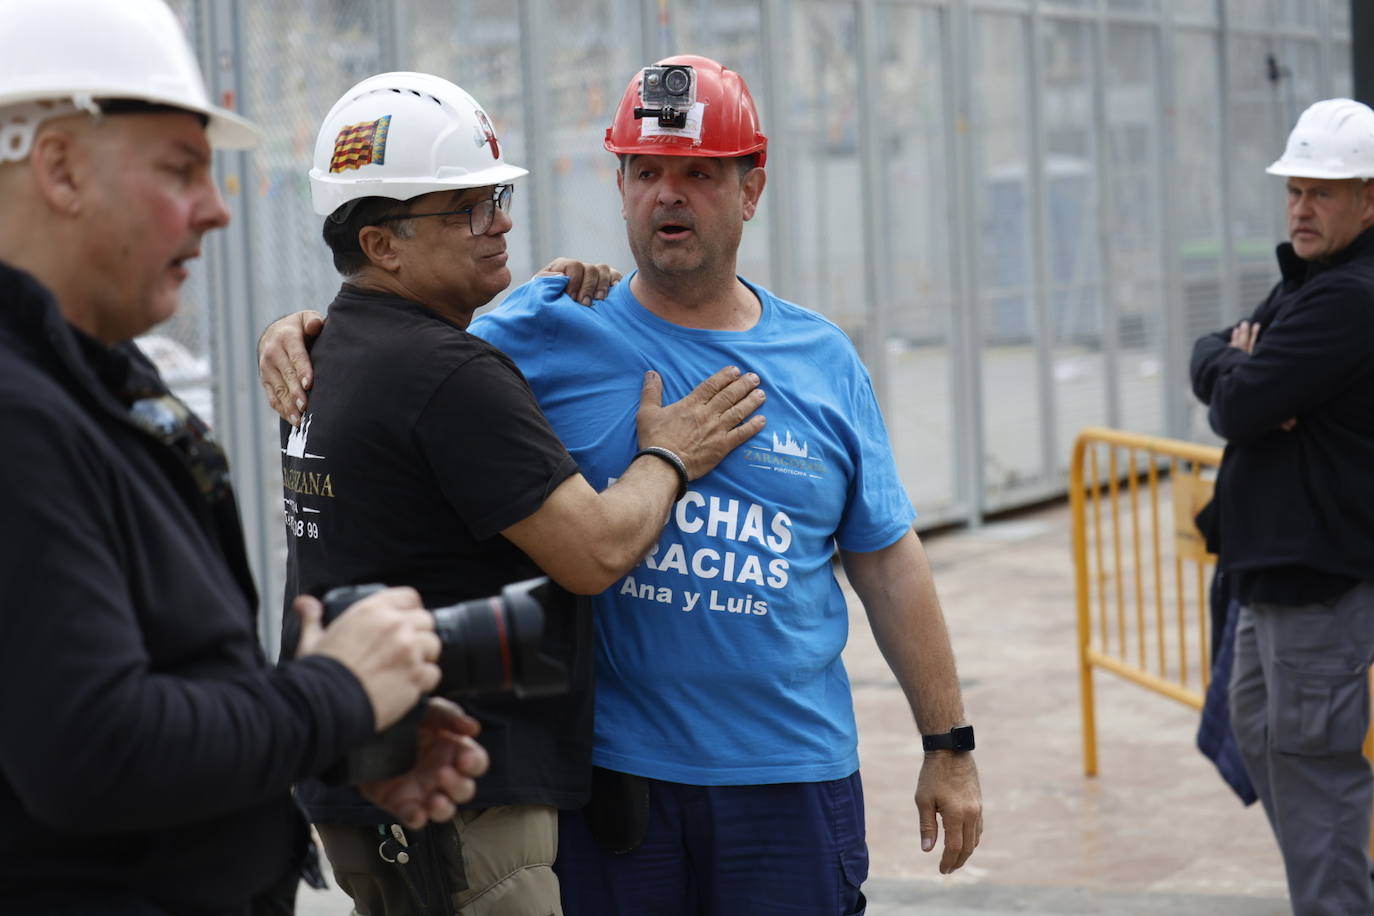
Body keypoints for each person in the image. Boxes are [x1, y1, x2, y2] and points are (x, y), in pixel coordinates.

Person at [261, 54, 982, 914]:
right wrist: (297, 332)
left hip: (790, 780)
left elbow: (887, 562)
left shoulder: (823, 362)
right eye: (646, 171)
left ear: (751, 189)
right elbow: (399, 343)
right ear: (620, 185)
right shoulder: (537, 332)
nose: (667, 194)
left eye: (698, 174)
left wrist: (949, 743)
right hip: (613, 791)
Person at [0, 2, 487, 915]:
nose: (217, 209)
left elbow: (158, 687)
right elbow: (97, 751)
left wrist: (335, 736)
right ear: (60, 169)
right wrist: (334, 693)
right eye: (182, 170)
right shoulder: (20, 417)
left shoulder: (96, 376)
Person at [269, 71, 766, 916]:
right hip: (459, 805)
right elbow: (596, 552)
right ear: (384, 244)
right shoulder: (449, 377)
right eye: (467, 208)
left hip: (364, 779)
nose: (499, 221)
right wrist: (670, 456)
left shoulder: (330, 357)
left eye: (495, 196)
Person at [1190, 97, 1374, 916]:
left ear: (1368, 200)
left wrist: (1243, 376)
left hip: (1318, 577)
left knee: (1313, 770)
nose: (1301, 208)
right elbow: (1214, 354)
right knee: (1266, 745)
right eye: (1295, 190)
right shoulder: (1311, 279)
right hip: (1271, 575)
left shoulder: (1350, 297)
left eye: (1322, 193)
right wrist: (1238, 367)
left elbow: (1234, 405)